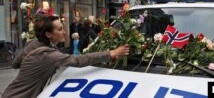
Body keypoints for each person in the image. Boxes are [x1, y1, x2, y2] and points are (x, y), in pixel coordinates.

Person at [2, 15, 130, 98]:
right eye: (59, 29)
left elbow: (15, 64)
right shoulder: (48, 55)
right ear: (48, 34)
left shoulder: (32, 43)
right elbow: (79, 60)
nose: (64, 32)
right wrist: (112, 53)